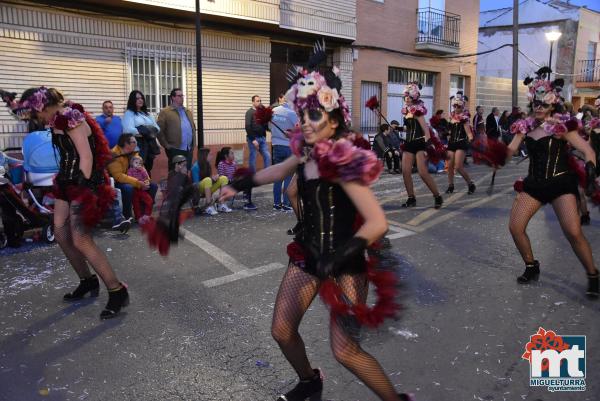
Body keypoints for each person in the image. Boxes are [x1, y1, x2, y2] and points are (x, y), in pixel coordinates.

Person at [220, 51, 412, 401]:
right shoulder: (306, 153)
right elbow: (277, 172)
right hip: (308, 254)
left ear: (334, 121)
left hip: (346, 264)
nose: (305, 122)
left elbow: (377, 222)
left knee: (345, 352)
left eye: (314, 115)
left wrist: (339, 257)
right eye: (302, 114)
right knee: (281, 331)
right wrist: (238, 184)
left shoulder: (344, 160)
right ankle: (310, 381)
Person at [2, 87, 129, 318]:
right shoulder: (55, 118)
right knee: (60, 233)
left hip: (84, 180)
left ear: (45, 106)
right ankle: (88, 280)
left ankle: (117, 290)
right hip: (66, 179)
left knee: (81, 239)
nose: (37, 119)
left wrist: (80, 190)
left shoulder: (73, 117)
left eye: (36, 112)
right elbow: (25, 114)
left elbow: (87, 157)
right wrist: (12, 103)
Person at [506, 68, 598, 299]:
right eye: (536, 103)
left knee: (573, 232)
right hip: (534, 184)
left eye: (544, 104)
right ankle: (531, 266)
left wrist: (590, 167)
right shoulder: (524, 126)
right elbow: (510, 151)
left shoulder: (560, 126)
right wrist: (494, 155)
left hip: (560, 184)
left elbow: (587, 149)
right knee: (515, 228)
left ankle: (593, 275)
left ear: (552, 105)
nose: (539, 108)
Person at [400, 82, 443, 209]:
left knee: (423, 173)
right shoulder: (407, 111)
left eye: (408, 97)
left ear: (414, 97)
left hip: (420, 143)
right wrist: (399, 128)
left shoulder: (417, 110)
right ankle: (411, 198)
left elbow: (425, 129)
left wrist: (427, 147)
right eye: (405, 97)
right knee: (405, 171)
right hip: (409, 143)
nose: (406, 99)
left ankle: (437, 196)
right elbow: (410, 128)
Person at [108, 133, 158, 221]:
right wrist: (138, 183)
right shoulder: (114, 154)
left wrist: (146, 180)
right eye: (134, 141)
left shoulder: (134, 152)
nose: (136, 143)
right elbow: (118, 176)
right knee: (128, 188)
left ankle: (144, 214)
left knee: (153, 185)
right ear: (126, 144)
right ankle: (127, 216)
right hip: (119, 182)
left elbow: (142, 167)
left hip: (135, 180)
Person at [157, 88, 196, 171]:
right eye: (179, 95)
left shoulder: (188, 111)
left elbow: (193, 127)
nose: (182, 97)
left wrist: (193, 144)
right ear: (173, 98)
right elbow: (159, 130)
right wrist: (166, 145)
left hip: (188, 148)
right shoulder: (165, 112)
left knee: (187, 172)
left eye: (182, 95)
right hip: (175, 148)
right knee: (175, 173)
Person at [270, 93, 297, 211]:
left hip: (276, 146)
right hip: (289, 147)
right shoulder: (292, 113)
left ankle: (276, 203)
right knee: (288, 177)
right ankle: (286, 204)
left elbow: (269, 127)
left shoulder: (274, 111)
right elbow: (298, 129)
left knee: (278, 176)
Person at [244, 95, 271, 210]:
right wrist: (253, 139)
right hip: (253, 138)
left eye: (260, 101)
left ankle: (266, 174)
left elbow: (265, 125)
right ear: (252, 102)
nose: (259, 102)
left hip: (262, 138)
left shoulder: (261, 111)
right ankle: (253, 176)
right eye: (257, 101)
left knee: (267, 155)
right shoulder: (249, 112)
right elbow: (248, 126)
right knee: (253, 157)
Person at [123, 90, 160, 174]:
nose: (140, 100)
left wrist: (146, 130)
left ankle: (148, 185)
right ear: (133, 100)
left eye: (141, 98)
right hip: (137, 147)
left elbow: (157, 128)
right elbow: (128, 130)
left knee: (148, 170)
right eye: (137, 98)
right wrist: (144, 131)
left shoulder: (147, 114)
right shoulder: (129, 113)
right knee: (138, 171)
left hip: (150, 146)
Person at [446, 92, 476, 194]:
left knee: (458, 166)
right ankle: (451, 186)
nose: (456, 108)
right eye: (454, 106)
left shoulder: (464, 118)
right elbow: (449, 131)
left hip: (461, 143)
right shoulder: (451, 116)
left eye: (458, 106)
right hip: (452, 143)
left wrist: (472, 141)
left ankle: (470, 184)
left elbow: (469, 133)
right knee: (449, 166)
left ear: (462, 106)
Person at [196, 148, 231, 215]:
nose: (212, 156)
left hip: (208, 186)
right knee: (208, 180)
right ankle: (208, 206)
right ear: (204, 156)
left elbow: (209, 179)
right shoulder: (196, 166)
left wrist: (214, 178)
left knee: (223, 178)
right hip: (198, 189)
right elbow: (196, 184)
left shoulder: (208, 165)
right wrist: (210, 179)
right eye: (210, 155)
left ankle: (221, 204)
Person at [127, 155, 153, 225]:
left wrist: (143, 171)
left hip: (142, 189)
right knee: (136, 205)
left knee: (149, 201)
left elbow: (147, 178)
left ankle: (146, 216)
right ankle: (138, 218)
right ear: (132, 163)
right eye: (136, 162)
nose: (138, 164)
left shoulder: (142, 170)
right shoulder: (130, 170)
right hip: (134, 190)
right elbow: (130, 179)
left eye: (140, 163)